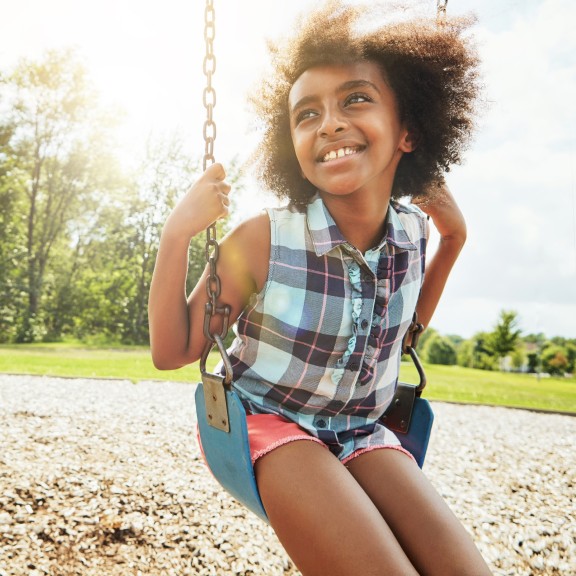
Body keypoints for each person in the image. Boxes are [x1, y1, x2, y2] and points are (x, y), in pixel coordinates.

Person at [149, 1, 492, 574]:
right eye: (306, 113)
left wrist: (454, 237)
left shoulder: (413, 233)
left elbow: (402, 333)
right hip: (269, 423)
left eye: (355, 99)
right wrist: (175, 236)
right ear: (293, 146)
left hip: (361, 430)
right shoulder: (264, 238)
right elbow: (172, 351)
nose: (329, 122)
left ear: (409, 131)